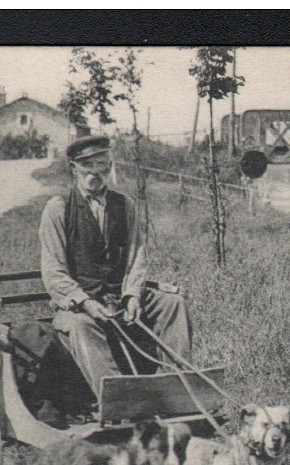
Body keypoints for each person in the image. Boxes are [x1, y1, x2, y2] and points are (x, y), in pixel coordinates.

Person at [39, 135, 192, 399]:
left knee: (172, 303)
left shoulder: (125, 206)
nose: (95, 173)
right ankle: (119, 399)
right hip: (78, 305)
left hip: (119, 299)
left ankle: (177, 387)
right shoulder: (58, 209)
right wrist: (86, 302)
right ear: (74, 168)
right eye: (88, 166)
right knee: (81, 326)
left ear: (110, 167)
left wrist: (133, 295)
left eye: (102, 165)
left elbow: (137, 256)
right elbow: (54, 271)